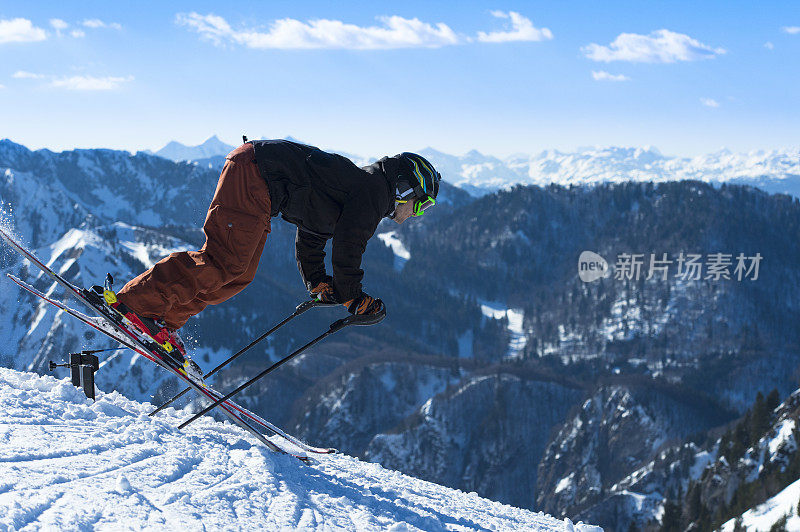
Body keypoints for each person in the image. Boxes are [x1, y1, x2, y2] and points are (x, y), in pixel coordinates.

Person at [109, 139, 441, 372]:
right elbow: (349, 246)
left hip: (258, 180)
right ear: (405, 189)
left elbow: (312, 237)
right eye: (422, 205)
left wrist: (317, 281)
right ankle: (138, 303)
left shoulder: (360, 190)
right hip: (255, 175)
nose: (418, 214)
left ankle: (161, 322)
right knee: (226, 262)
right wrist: (353, 298)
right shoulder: (372, 192)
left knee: (239, 273)